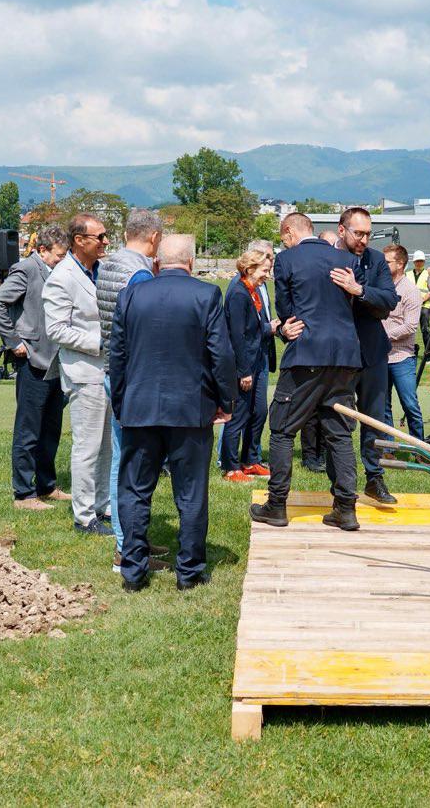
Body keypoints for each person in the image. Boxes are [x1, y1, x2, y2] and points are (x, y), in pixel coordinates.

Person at [110, 234, 237, 592]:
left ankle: (133, 571)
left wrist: (120, 402)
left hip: (140, 407)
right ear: (191, 262)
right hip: (190, 409)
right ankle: (189, 571)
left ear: (157, 262)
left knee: (135, 490)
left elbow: (116, 357)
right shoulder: (206, 294)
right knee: (191, 491)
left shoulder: (131, 296)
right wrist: (226, 402)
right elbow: (221, 355)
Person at [250, 212, 362, 532]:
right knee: (339, 433)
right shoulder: (345, 258)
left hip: (307, 353)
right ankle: (345, 507)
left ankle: (277, 504)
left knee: (283, 428)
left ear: (288, 233)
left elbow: (286, 309)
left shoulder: (287, 259)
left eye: (282, 236)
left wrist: (287, 328)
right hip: (344, 356)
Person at [97, 209, 166, 562]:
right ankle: (127, 545)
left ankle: (130, 537)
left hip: (112, 368)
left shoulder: (107, 265)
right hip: (132, 375)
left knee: (123, 457)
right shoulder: (139, 275)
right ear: (153, 239)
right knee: (130, 462)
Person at [0, 225, 71, 511]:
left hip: (56, 363)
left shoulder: (57, 271)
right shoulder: (25, 269)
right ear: (42, 250)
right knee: (28, 431)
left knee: (51, 429)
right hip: (33, 361)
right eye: (58, 255)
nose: (62, 260)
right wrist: (14, 342)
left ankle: (46, 486)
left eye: (65, 255)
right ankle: (23, 494)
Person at [45, 213, 115, 535]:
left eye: (105, 236)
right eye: (99, 237)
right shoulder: (62, 277)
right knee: (87, 446)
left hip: (107, 370)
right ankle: (84, 516)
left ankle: (103, 506)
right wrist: (98, 342)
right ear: (79, 240)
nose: (105, 242)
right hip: (84, 371)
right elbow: (56, 329)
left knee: (106, 446)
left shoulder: (101, 270)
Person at [336, 207, 400, 506]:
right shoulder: (330, 258)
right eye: (357, 233)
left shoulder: (376, 260)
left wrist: (359, 291)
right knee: (339, 421)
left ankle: (374, 478)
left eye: (367, 234)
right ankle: (341, 484)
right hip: (339, 354)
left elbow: (388, 301)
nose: (363, 239)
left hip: (372, 352)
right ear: (342, 230)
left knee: (374, 419)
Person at [221, 245, 278, 483]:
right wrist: (244, 372)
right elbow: (237, 337)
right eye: (264, 270)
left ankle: (249, 461)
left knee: (258, 412)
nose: (267, 274)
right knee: (238, 415)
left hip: (256, 361)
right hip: (243, 365)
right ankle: (231, 466)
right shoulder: (238, 293)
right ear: (250, 268)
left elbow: (252, 329)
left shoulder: (252, 290)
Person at [381, 243, 424, 442]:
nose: (381, 264)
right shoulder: (381, 286)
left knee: (410, 404)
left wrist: (382, 336)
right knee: (383, 406)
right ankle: (389, 449)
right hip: (381, 357)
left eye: (386, 261)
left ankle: (420, 449)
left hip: (402, 357)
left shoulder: (410, 291)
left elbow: (409, 327)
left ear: (400, 264)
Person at [412, 250, 430, 350]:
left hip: (424, 306)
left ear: (424, 262)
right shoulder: (407, 274)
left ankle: (428, 354)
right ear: (414, 262)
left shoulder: (428, 274)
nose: (419, 263)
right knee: (409, 329)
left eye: (421, 261)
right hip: (410, 306)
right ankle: (410, 351)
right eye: (417, 261)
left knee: (425, 330)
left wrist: (423, 299)